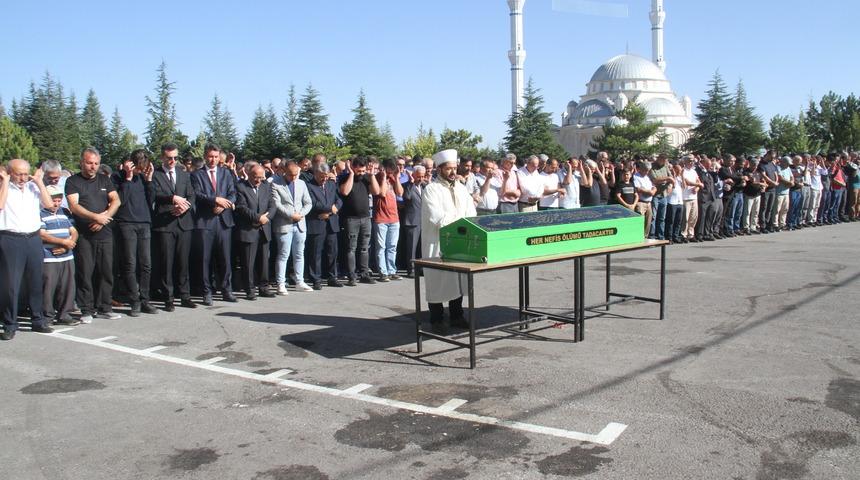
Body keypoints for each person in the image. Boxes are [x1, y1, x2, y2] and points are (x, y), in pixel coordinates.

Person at [420, 149, 477, 334]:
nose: (453, 172)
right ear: (439, 169)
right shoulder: (431, 190)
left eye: (454, 168)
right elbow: (437, 218)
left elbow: (472, 213)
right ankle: (436, 319)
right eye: (448, 169)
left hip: (458, 241)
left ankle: (457, 316)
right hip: (437, 241)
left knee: (457, 279)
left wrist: (464, 223)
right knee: (437, 280)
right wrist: (460, 220)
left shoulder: (461, 188)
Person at [0, 159, 55, 340]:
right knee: (11, 285)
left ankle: (37, 320)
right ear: (9, 173)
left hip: (32, 238)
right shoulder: (4, 187)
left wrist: (39, 182)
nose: (23, 178)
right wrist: (6, 182)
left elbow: (49, 204)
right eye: (18, 174)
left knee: (35, 282)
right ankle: (10, 324)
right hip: (11, 238)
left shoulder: (33, 187)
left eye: (26, 173)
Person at [65, 148, 122, 322]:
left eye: (96, 163)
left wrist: (104, 217)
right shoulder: (73, 181)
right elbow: (74, 206)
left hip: (104, 233)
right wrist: (94, 217)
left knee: (106, 272)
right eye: (89, 163)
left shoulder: (105, 179)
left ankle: (105, 307)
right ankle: (87, 310)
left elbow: (116, 200)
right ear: (82, 162)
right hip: (84, 235)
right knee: (85, 272)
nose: (93, 166)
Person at [111, 149, 157, 316]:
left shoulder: (143, 178)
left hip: (144, 222)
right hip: (126, 223)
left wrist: (149, 179)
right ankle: (134, 300)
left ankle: (145, 299)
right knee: (130, 263)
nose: (140, 170)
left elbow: (151, 199)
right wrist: (128, 178)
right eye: (138, 167)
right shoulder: (117, 177)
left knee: (146, 264)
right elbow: (120, 201)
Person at [190, 143, 237, 305]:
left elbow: (233, 193)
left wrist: (224, 205)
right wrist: (215, 200)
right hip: (205, 222)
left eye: (216, 157)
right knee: (205, 259)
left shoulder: (226, 173)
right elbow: (197, 194)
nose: (213, 160)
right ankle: (206, 291)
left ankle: (226, 289)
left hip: (224, 221)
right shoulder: (197, 175)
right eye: (210, 156)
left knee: (225, 258)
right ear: (205, 156)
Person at [151, 143, 196, 311]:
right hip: (165, 224)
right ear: (163, 157)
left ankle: (185, 295)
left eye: (176, 158)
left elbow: (191, 194)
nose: (173, 161)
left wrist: (186, 206)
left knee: (183, 262)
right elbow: (155, 195)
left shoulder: (183, 174)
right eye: (169, 158)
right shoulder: (156, 175)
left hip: (183, 223)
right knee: (166, 263)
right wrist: (172, 199)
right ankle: (168, 298)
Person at [235, 165, 277, 300]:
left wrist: (267, 218)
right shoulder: (241, 187)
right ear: (248, 174)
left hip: (264, 230)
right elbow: (241, 207)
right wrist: (258, 218)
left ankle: (264, 287)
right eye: (255, 177)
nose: (258, 180)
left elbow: (273, 205)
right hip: (248, 229)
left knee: (264, 261)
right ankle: (249, 289)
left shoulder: (267, 186)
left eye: (261, 177)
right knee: (248, 262)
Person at [338, 156, 381, 286]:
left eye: (363, 171)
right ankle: (352, 275)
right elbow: (345, 192)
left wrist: (372, 175)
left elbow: (376, 191)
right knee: (351, 248)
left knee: (364, 248)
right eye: (359, 171)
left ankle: (364, 274)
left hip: (366, 218)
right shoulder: (345, 177)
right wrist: (351, 174)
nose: (361, 173)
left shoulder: (366, 179)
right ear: (353, 167)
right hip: (351, 219)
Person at [39, 185, 79, 326]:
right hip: (49, 256)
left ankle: (64, 314)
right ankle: (47, 316)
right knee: (48, 287)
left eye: (58, 200)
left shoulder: (64, 212)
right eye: (53, 200)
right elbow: (42, 235)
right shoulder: (40, 213)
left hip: (67, 256)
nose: (56, 204)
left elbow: (73, 231)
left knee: (67, 286)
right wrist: (63, 242)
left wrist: (69, 244)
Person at [271, 162, 313, 294]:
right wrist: (291, 215)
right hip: (284, 225)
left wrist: (300, 214)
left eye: (296, 175)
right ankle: (281, 283)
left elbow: (308, 202)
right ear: (284, 171)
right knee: (283, 255)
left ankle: (299, 281)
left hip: (300, 224)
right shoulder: (275, 184)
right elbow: (276, 204)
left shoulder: (301, 184)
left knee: (299, 254)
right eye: (291, 175)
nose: (294, 178)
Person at [305, 162, 343, 290]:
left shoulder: (331, 184)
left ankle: (332, 277)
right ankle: (316, 278)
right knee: (316, 253)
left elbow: (339, 199)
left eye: (326, 176)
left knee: (332, 251)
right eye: (322, 176)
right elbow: (312, 203)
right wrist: (329, 208)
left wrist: (334, 208)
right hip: (316, 222)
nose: (324, 179)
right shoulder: (308, 185)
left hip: (331, 222)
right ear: (315, 173)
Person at [373, 158, 404, 282]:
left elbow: (400, 193)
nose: (392, 172)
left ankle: (392, 270)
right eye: (390, 170)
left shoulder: (393, 178)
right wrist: (384, 177)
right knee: (381, 247)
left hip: (394, 218)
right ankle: (383, 272)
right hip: (381, 218)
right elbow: (382, 193)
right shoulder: (377, 178)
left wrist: (396, 178)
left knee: (392, 246)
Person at [400, 165, 425, 278]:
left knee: (421, 247)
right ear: (413, 175)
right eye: (419, 176)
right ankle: (411, 269)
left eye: (423, 176)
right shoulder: (407, 186)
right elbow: (407, 197)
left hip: (423, 221)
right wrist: (410, 183)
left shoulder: (425, 186)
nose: (421, 179)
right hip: (412, 221)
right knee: (412, 248)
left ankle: (421, 268)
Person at [648, 154, 673, 239]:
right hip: (655, 195)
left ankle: (660, 236)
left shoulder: (665, 167)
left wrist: (669, 184)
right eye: (664, 160)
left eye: (666, 160)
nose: (665, 162)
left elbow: (671, 178)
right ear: (659, 159)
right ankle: (652, 235)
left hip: (664, 195)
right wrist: (667, 178)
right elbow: (655, 180)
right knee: (653, 217)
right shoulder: (652, 167)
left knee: (662, 217)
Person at [681, 156, 702, 241]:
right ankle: (684, 234)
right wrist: (698, 185)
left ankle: (691, 234)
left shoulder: (693, 171)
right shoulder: (683, 171)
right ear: (685, 161)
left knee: (693, 217)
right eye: (689, 161)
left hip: (694, 197)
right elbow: (687, 182)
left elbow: (698, 181)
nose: (691, 162)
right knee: (685, 218)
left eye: (693, 161)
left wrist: (697, 188)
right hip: (686, 197)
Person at [632, 160, 656, 236]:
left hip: (648, 202)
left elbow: (653, 187)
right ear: (642, 169)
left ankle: (645, 236)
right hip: (641, 202)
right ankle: (638, 236)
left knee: (648, 221)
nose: (647, 172)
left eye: (648, 171)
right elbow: (638, 189)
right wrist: (649, 192)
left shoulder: (647, 177)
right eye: (646, 170)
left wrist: (653, 191)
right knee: (640, 221)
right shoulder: (636, 176)